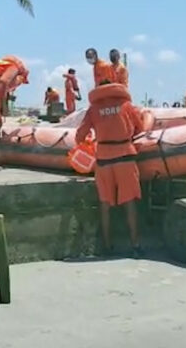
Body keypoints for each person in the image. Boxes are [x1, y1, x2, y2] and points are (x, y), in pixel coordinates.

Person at [75, 80, 144, 257]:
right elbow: (141, 128)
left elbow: (80, 136)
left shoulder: (93, 109)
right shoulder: (126, 104)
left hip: (104, 159)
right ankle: (135, 246)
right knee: (129, 203)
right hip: (125, 158)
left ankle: (107, 246)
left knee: (104, 205)